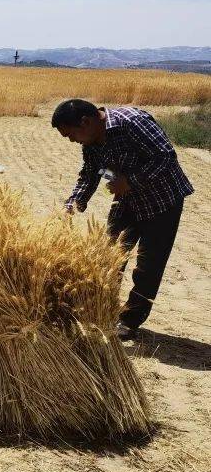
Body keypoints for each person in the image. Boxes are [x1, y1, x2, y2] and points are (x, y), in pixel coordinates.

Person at [51, 99, 194, 341]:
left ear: (86, 122)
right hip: (127, 202)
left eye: (71, 135)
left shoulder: (132, 122)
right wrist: (72, 204)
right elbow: (90, 173)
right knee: (107, 258)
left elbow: (165, 157)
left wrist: (129, 181)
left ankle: (129, 321)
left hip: (163, 202)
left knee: (148, 268)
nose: (72, 141)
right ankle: (102, 311)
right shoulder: (92, 141)